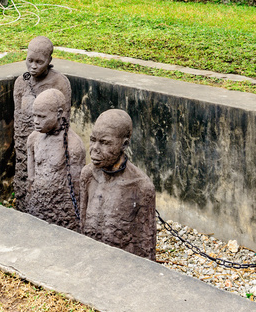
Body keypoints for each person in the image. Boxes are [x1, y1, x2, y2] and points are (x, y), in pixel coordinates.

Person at [79, 109, 156, 260]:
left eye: (105, 143)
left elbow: (146, 249)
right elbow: (82, 229)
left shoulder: (141, 187)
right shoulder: (88, 175)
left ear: (124, 144)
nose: (94, 148)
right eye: (93, 139)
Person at [12, 36, 71, 208]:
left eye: (39, 61)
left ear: (49, 60)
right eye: (30, 60)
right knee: (25, 184)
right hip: (24, 144)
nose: (33, 66)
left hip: (49, 146)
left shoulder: (60, 83)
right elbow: (18, 117)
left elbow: (64, 120)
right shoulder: (21, 83)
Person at [25, 89, 86, 230]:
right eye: (34, 116)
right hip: (38, 204)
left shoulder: (74, 146)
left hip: (61, 211)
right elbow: (31, 178)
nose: (36, 121)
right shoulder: (33, 139)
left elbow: (76, 190)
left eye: (41, 117)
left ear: (58, 114)